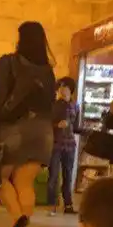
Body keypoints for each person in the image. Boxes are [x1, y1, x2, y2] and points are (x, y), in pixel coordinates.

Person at [0, 22, 56, 227]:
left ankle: (18, 218)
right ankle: (20, 226)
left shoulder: (8, 63)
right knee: (24, 182)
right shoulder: (48, 71)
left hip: (15, 129)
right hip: (43, 132)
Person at [46, 76, 80, 215]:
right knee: (53, 176)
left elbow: (76, 127)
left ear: (70, 89)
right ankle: (52, 206)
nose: (62, 89)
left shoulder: (75, 106)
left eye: (64, 86)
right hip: (55, 145)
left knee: (68, 176)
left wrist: (90, 132)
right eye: (60, 87)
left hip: (70, 145)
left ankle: (68, 205)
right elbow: (47, 125)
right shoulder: (53, 105)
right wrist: (57, 125)